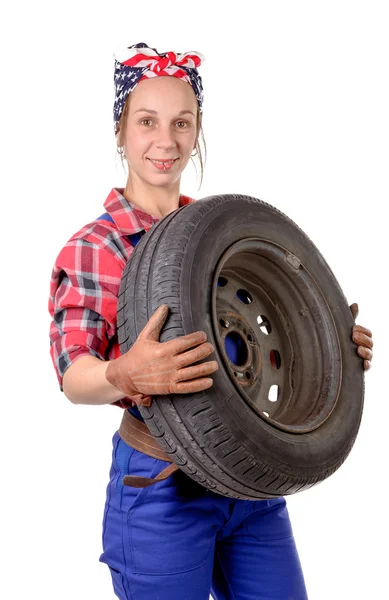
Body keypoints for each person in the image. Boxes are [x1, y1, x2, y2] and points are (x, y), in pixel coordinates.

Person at [48, 42, 374, 600]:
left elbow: (263, 338)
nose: (165, 141)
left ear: (197, 130)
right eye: (146, 121)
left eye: (182, 122)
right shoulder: (94, 248)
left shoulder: (220, 233)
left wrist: (327, 352)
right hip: (160, 485)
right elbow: (74, 375)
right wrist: (123, 374)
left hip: (251, 484)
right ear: (121, 131)